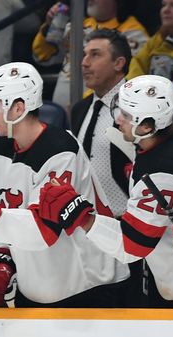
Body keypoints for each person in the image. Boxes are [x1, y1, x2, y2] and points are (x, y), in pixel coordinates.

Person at [0, 62, 129, 308]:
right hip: (39, 284)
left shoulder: (60, 151)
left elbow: (43, 231)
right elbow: (6, 208)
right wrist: (2, 255)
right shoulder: (3, 147)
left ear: (18, 108)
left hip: (89, 284)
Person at [36, 75, 173, 308]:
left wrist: (79, 214)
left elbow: (132, 246)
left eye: (126, 115)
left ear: (147, 126)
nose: (116, 119)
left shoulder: (161, 173)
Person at [33, 0, 149, 107]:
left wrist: (83, 107)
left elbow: (128, 83)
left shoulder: (133, 34)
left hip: (99, 113)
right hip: (61, 117)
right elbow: (43, 58)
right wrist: (48, 26)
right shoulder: (77, 25)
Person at [72, 28, 134, 219]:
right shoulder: (79, 109)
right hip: (86, 223)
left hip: (128, 222)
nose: (84, 63)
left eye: (95, 55)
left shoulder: (137, 107)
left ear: (118, 63)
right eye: (84, 55)